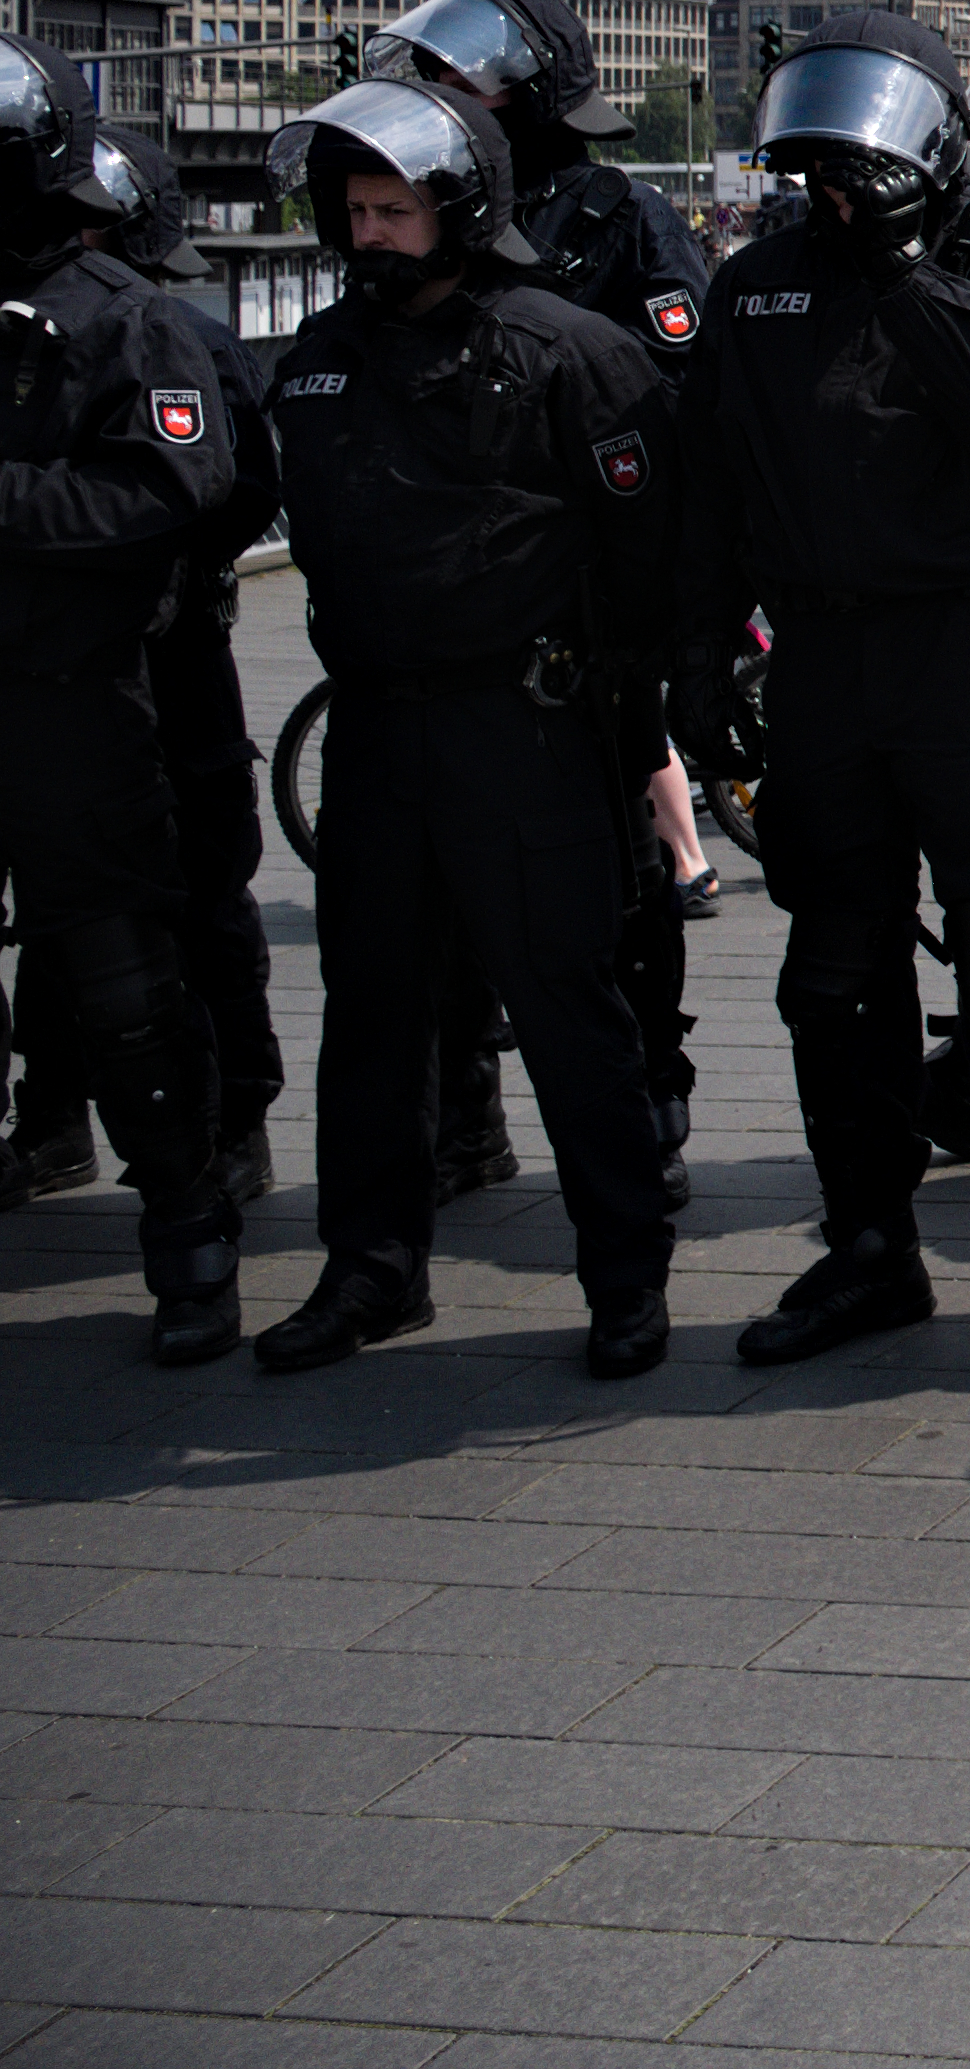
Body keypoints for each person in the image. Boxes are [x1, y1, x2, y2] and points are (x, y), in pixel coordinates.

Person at [676, 15, 970, 1376]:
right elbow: (710, 488)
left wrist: (906, 268)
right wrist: (697, 662)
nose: (839, 180)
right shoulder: (758, 284)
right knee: (833, 975)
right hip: (824, 662)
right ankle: (869, 1249)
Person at [252, 72, 674, 1375]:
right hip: (379, 736)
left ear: (460, 206)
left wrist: (633, 713)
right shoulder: (321, 360)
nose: (369, 232)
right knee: (373, 1013)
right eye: (353, 210)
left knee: (566, 1010)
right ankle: (372, 1269)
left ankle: (624, 1279)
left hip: (527, 732)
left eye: (394, 209)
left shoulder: (568, 350)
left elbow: (653, 551)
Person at [354, 0, 711, 1207]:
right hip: (436, 607)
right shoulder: (403, 205)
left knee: (614, 877)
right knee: (428, 893)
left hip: (573, 609)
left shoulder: (618, 213)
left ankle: (644, 1101)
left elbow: (670, 392)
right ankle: (462, 1112)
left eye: (464, 82)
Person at [0, 41, 258, 1360]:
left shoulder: (125, 318)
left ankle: (188, 1229)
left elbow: (174, 491)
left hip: (76, 695)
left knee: (122, 981)